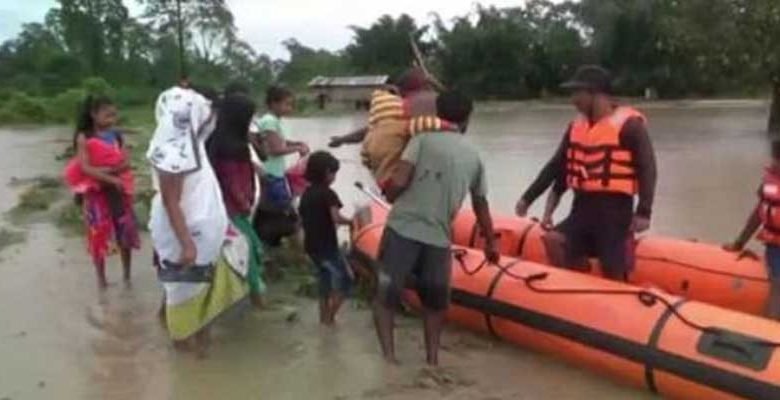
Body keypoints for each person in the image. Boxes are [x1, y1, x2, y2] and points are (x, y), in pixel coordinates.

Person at [373, 90, 499, 366]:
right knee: (435, 304)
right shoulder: (474, 155)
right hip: (439, 239)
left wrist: (389, 190)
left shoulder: (420, 142)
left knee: (386, 297)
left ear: (437, 116)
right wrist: (491, 243)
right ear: (468, 119)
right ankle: (432, 361)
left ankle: (389, 360)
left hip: (403, 230)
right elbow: (481, 204)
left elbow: (400, 184)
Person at [515, 65, 657, 281]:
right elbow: (556, 166)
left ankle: (615, 296)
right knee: (553, 240)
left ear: (595, 94)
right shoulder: (575, 128)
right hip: (582, 208)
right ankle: (579, 283)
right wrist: (527, 198)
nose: (573, 99)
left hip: (615, 213)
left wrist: (644, 211)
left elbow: (648, 167)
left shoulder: (630, 126)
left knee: (612, 269)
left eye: (577, 93)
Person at [147, 86, 248, 354]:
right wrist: (188, 245)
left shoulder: (193, 143)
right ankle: (183, 357)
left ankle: (201, 349)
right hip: (186, 236)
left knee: (203, 294)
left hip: (203, 234)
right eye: (207, 113)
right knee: (183, 297)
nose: (212, 118)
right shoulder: (173, 151)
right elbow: (171, 202)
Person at [64, 96, 140, 290]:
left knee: (125, 233)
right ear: (93, 114)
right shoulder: (84, 137)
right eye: (107, 115)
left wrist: (108, 172)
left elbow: (126, 162)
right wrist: (112, 176)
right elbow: (86, 168)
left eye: (114, 115)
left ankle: (127, 277)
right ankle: (101, 281)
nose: (111, 120)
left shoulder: (117, 136)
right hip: (97, 193)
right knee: (98, 235)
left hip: (119, 192)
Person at [206, 93, 267, 308]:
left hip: (225, 207)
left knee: (243, 251)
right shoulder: (232, 146)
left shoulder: (217, 140)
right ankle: (257, 301)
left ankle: (242, 297)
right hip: (233, 208)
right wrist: (244, 204)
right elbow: (231, 180)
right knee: (249, 251)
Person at [725, 139, 780, 319]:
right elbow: (759, 213)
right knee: (777, 288)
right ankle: (769, 334)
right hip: (775, 246)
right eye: (775, 159)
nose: (775, 163)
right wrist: (739, 242)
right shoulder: (769, 181)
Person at [298, 151, 353, 325]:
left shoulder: (306, 194)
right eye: (334, 173)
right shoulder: (328, 194)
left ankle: (323, 319)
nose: (335, 177)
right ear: (326, 172)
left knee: (325, 281)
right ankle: (330, 318)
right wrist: (352, 222)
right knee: (346, 280)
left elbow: (301, 220)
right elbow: (336, 218)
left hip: (311, 247)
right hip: (327, 247)